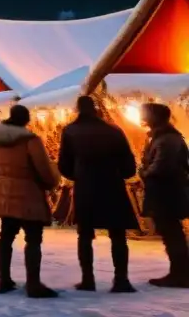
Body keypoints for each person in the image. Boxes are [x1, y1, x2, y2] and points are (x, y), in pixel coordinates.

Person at [57, 96, 138, 293]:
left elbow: (64, 166)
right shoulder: (114, 130)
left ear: (77, 110)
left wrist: (78, 174)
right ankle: (121, 280)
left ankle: (88, 280)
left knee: (85, 235)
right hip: (112, 185)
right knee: (118, 234)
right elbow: (129, 167)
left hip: (86, 187)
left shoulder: (70, 131)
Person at [0, 104, 61, 299]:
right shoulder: (30, 140)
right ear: (25, 120)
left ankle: (4, 280)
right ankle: (33, 284)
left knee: (6, 236)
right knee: (33, 238)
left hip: (4, 192)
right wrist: (52, 182)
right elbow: (43, 168)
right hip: (28, 194)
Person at [139, 102, 189, 288]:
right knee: (171, 233)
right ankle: (180, 272)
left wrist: (143, 172)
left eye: (146, 114)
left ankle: (181, 274)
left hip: (168, 194)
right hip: (166, 193)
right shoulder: (163, 137)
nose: (142, 118)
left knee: (172, 233)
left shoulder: (167, 139)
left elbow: (161, 167)